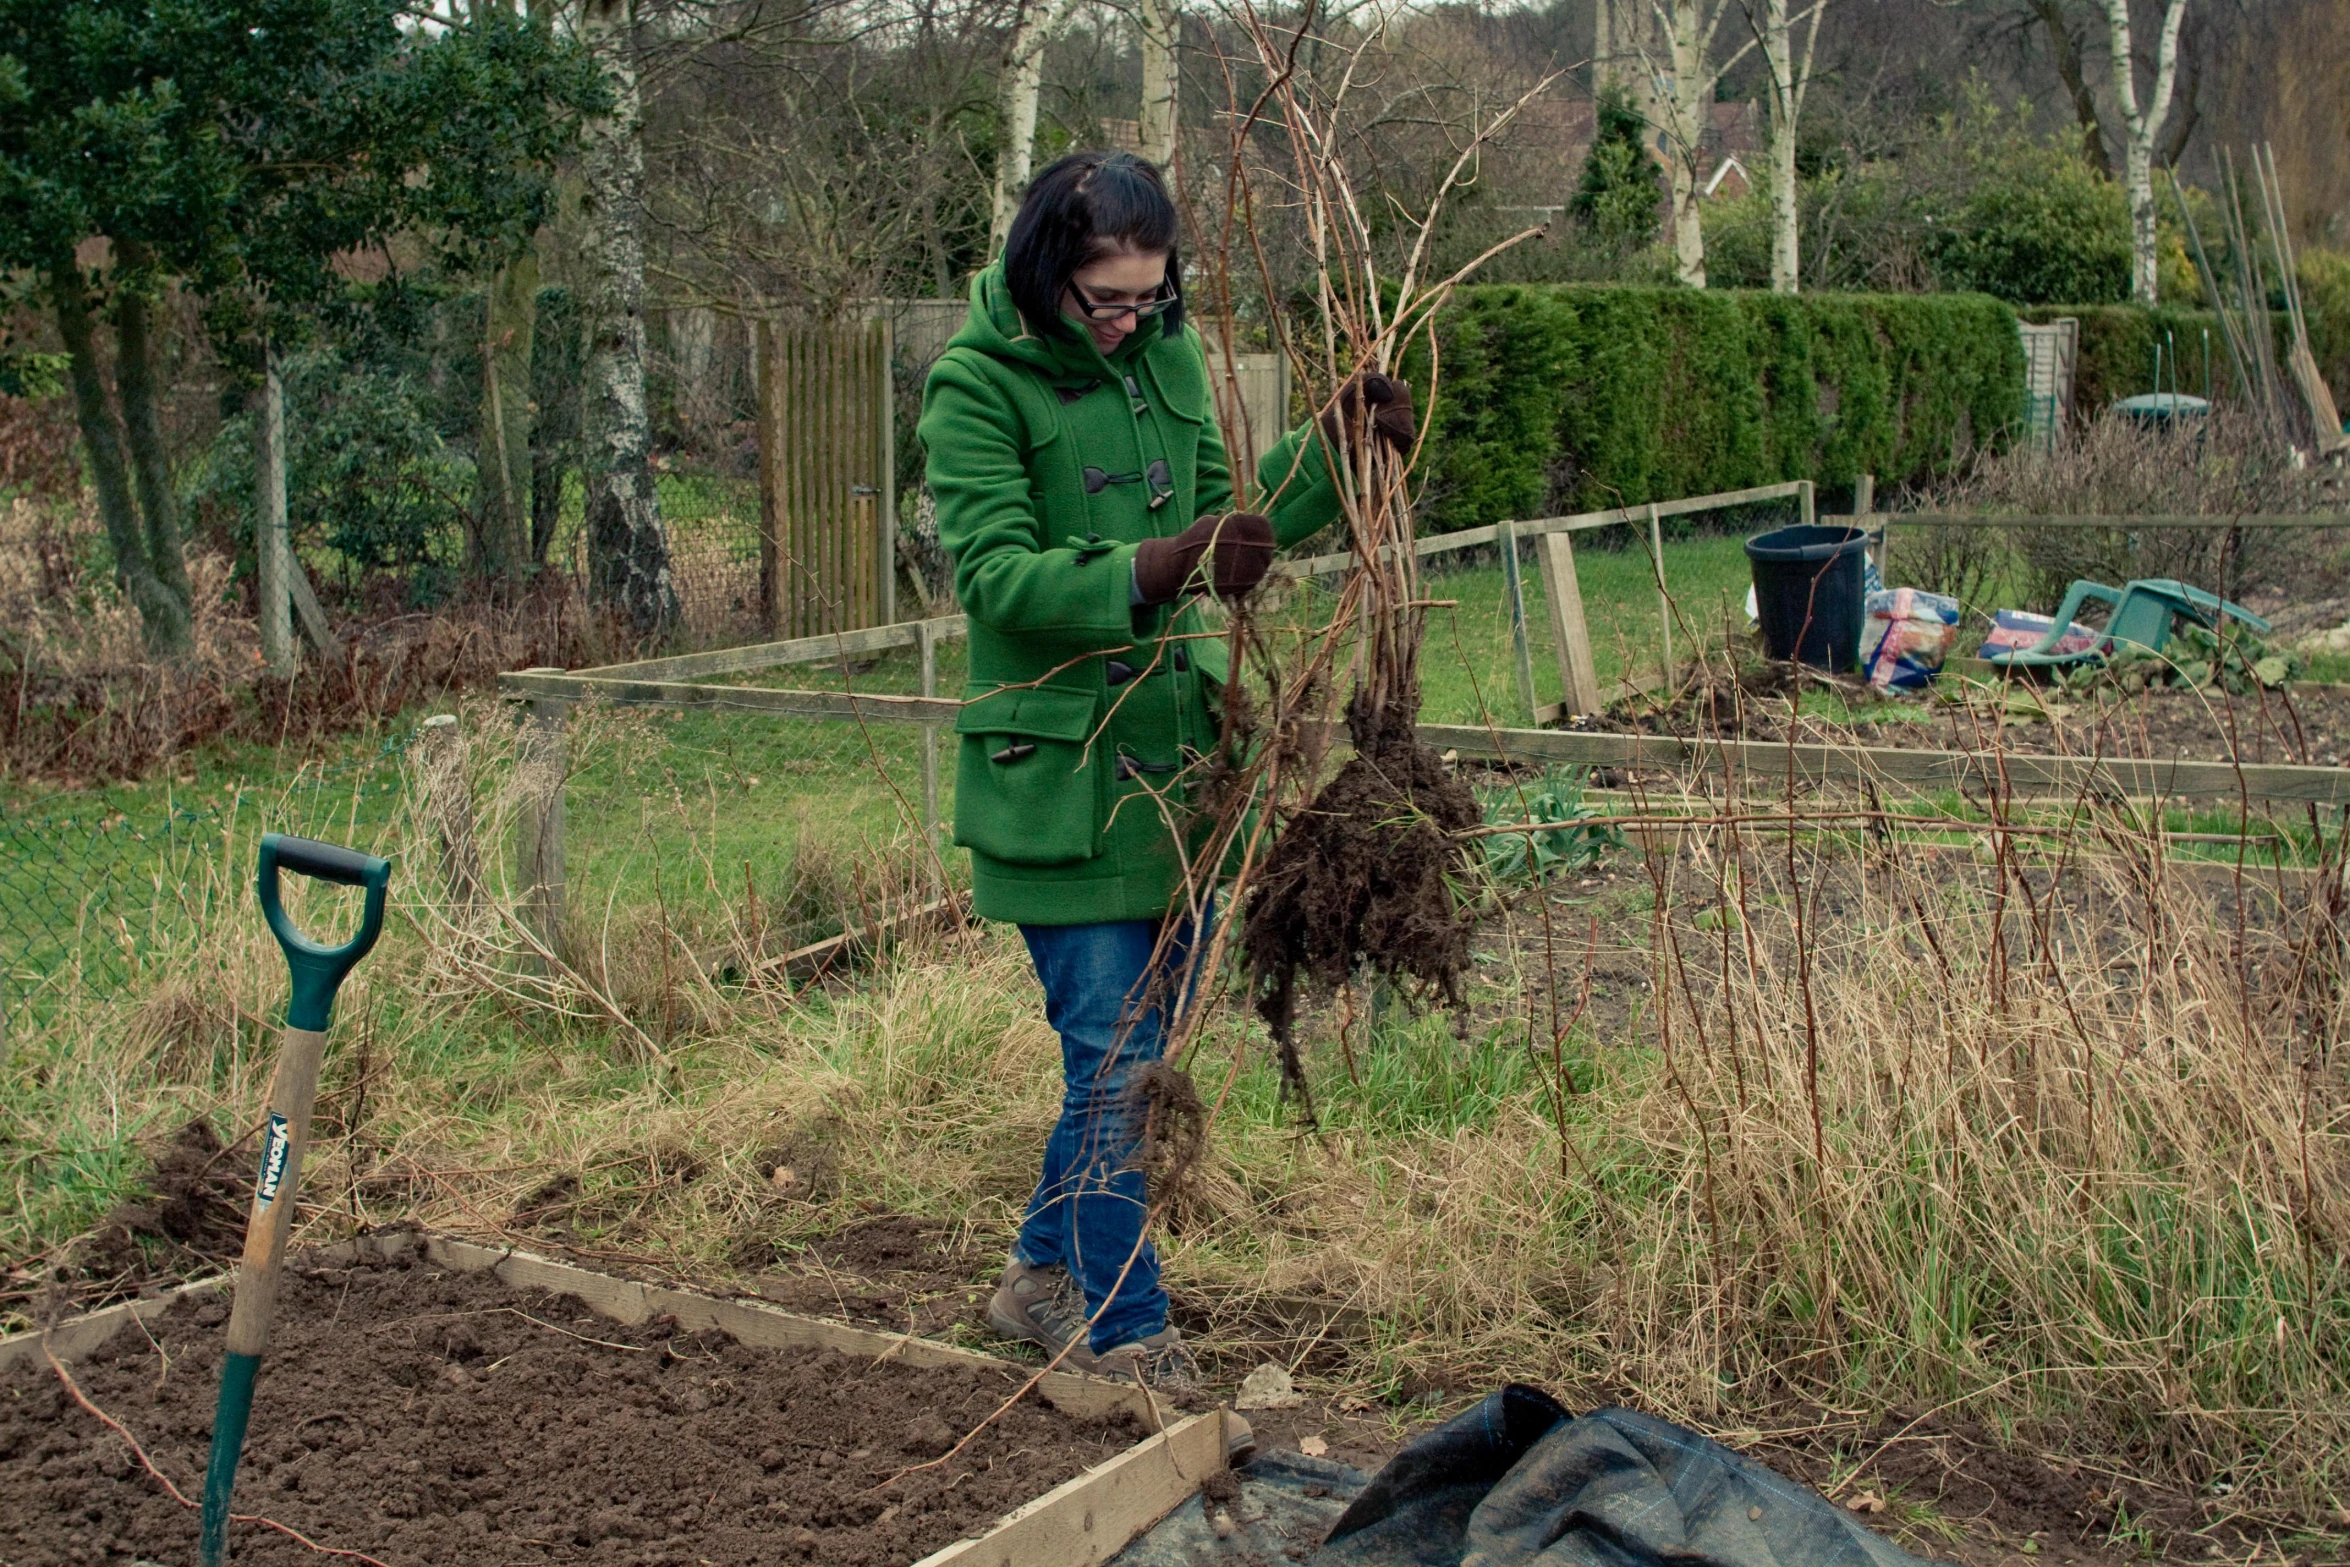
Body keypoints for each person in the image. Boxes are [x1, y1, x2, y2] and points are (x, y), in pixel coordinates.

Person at [918, 149, 1414, 1388]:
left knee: (1126, 1057)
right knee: (1116, 1060)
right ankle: (1120, 1329)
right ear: (1048, 274)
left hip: (1177, 769)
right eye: (1109, 300)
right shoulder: (975, 387)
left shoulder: (1169, 358)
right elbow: (992, 577)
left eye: (1152, 295)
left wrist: (1339, 446)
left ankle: (1038, 1274)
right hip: (1061, 785)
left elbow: (1225, 519)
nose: (1134, 319)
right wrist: (1147, 571)